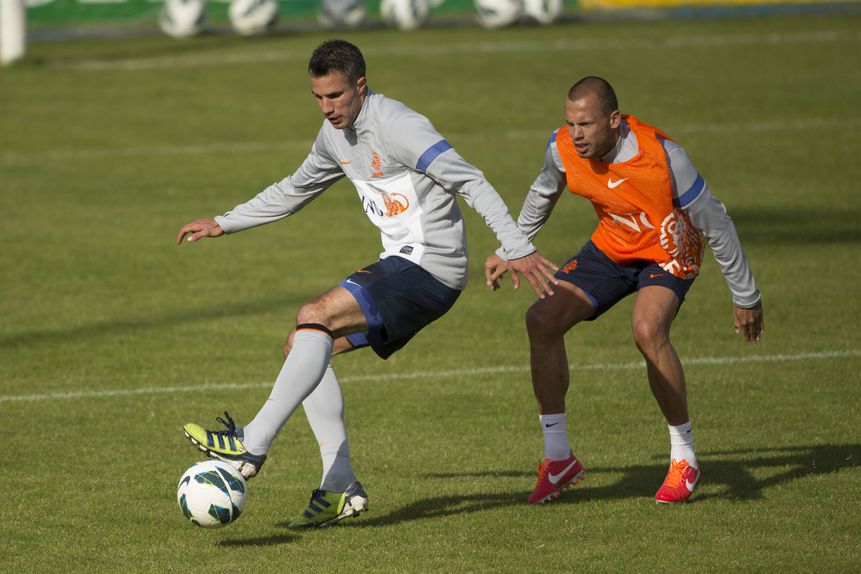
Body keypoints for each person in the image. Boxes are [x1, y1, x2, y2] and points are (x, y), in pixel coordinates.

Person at [177, 39, 558, 528]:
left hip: (432, 268)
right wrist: (225, 222)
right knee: (303, 345)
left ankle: (251, 443)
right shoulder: (333, 135)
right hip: (403, 265)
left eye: (335, 95)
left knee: (314, 314)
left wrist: (516, 244)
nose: (326, 108)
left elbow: (470, 180)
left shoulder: (399, 126)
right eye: (318, 97)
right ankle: (339, 485)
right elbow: (294, 190)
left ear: (360, 85)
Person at [485, 76, 764, 505]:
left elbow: (718, 224)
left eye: (586, 124)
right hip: (613, 246)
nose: (576, 135)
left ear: (614, 120)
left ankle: (684, 458)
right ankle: (559, 459)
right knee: (541, 320)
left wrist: (745, 295)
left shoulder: (664, 157)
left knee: (647, 329)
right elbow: (543, 193)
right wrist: (512, 248)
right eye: (570, 123)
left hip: (668, 249)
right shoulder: (561, 147)